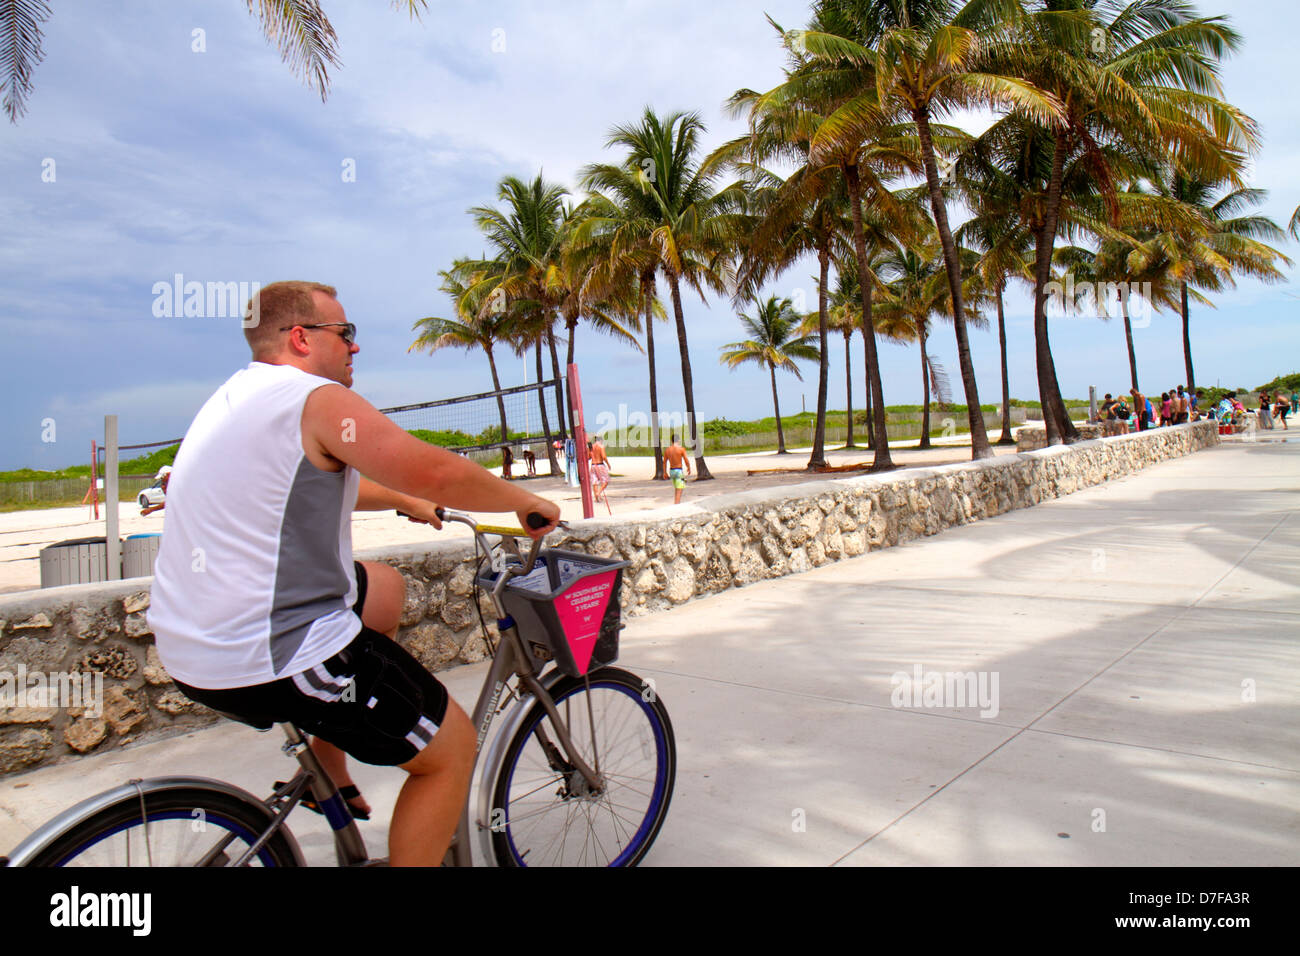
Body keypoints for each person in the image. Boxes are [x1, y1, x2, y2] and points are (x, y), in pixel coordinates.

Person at [146, 281, 560, 867]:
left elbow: (306, 477)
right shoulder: (314, 398)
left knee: (383, 588)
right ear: (300, 337)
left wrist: (398, 500)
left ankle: (331, 764)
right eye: (346, 334)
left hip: (191, 641)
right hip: (269, 652)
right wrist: (520, 501)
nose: (354, 348)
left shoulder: (238, 397)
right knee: (450, 751)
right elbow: (433, 468)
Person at [663, 434, 692, 504]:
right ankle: (677, 505)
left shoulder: (667, 450)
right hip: (678, 471)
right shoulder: (681, 449)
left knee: (677, 488)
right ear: (678, 440)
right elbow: (686, 460)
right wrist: (688, 467)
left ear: (672, 440)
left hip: (672, 471)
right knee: (679, 489)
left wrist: (665, 472)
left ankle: (676, 503)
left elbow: (664, 462)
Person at [589, 435, 610, 503]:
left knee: (595, 482)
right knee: (606, 480)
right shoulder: (601, 446)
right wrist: (608, 464)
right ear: (600, 440)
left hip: (593, 465)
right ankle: (599, 492)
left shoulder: (591, 447)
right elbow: (604, 456)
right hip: (600, 464)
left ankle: (596, 497)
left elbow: (589, 456)